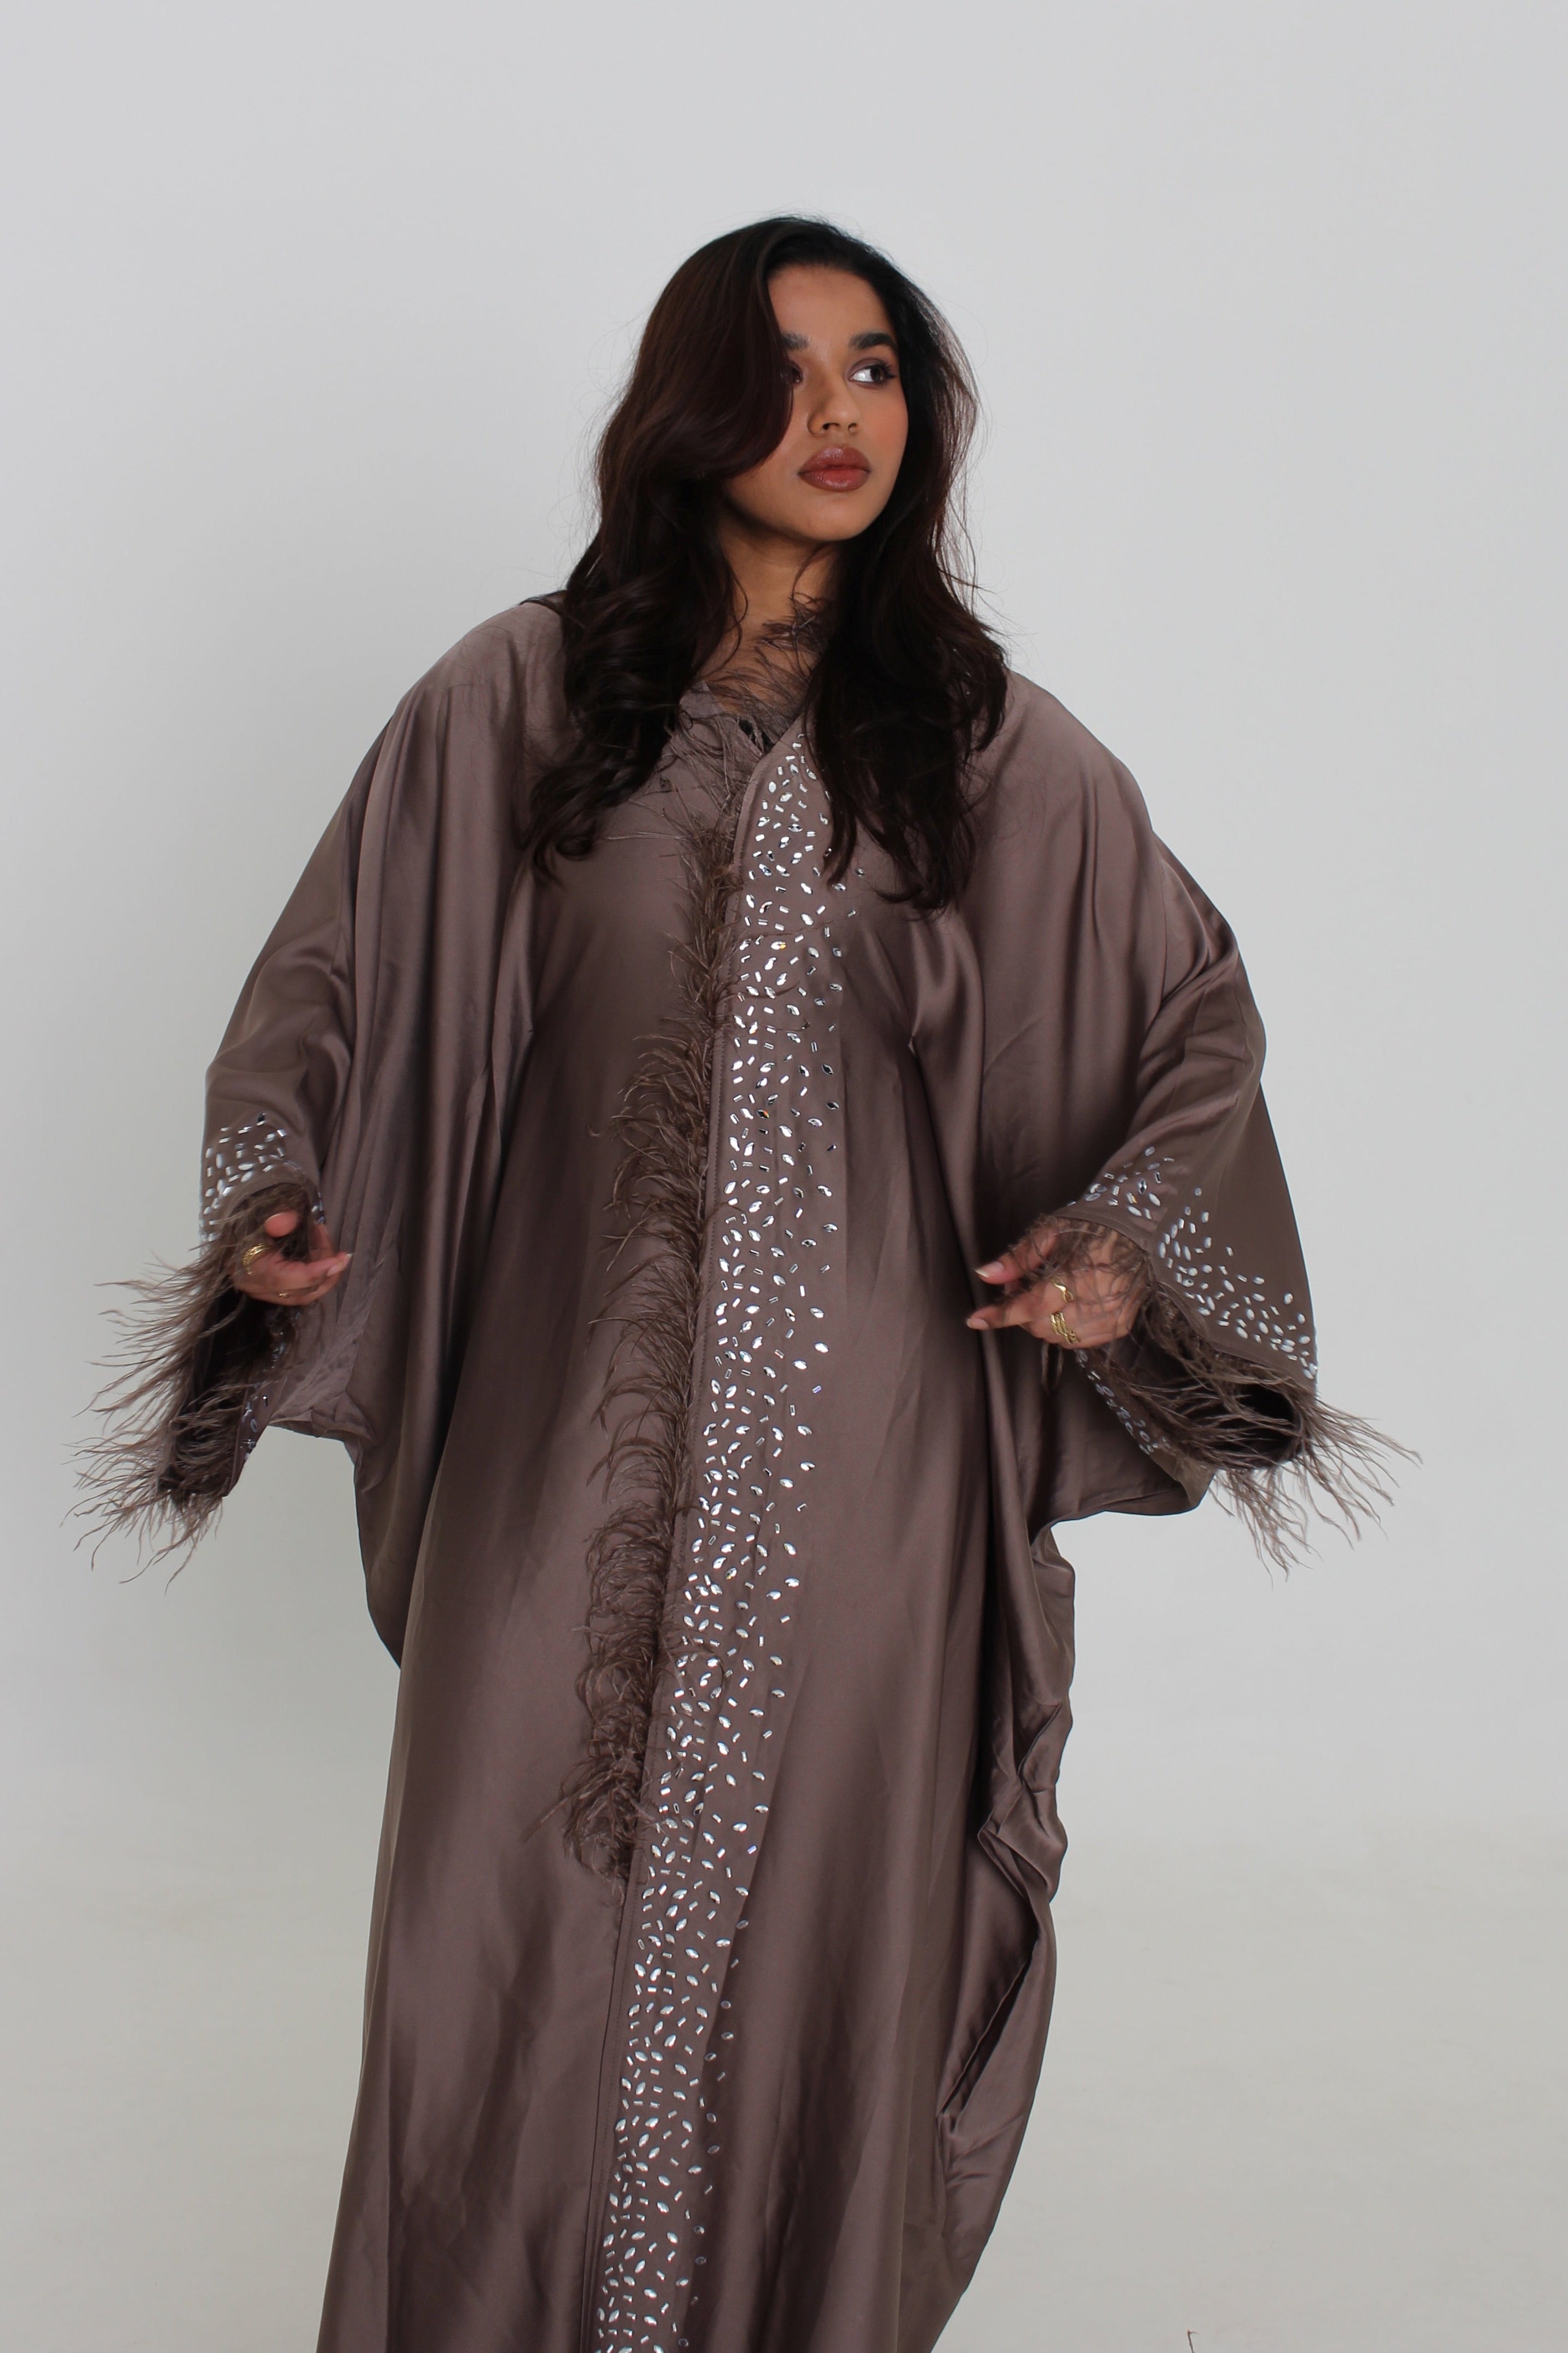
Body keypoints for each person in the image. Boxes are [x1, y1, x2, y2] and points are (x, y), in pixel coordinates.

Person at [86, 217, 1387, 2353]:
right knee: (486, 1944)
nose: (838, 414)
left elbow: (1189, 1015)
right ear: (691, 408)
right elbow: (330, 981)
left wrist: (1120, 1242)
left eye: (874, 369)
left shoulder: (981, 747)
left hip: (873, 1486)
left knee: (822, 1953)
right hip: (558, 1464)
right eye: (784, 370)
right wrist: (271, 1191)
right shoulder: (522, 701)